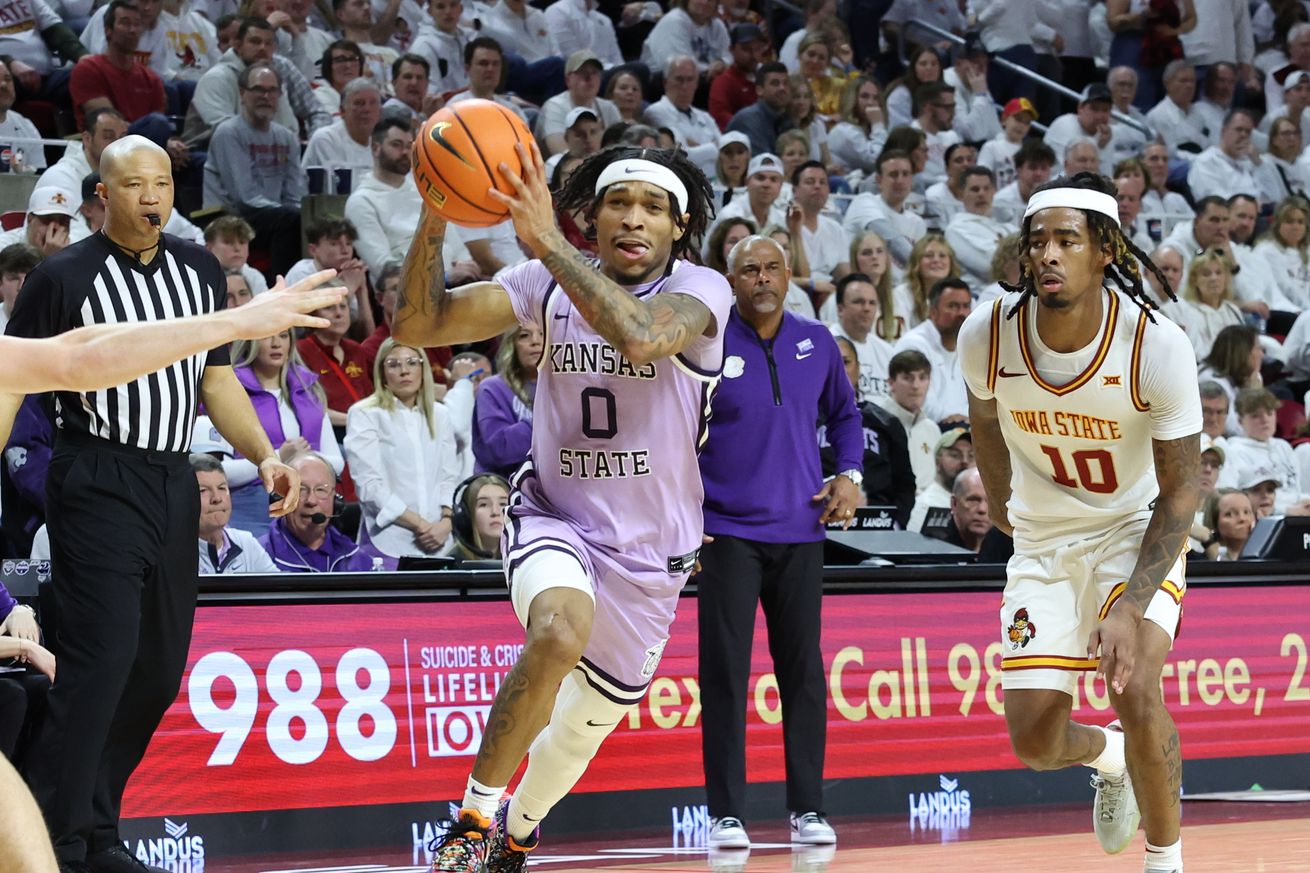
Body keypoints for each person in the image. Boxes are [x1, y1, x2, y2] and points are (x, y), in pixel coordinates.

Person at [0, 135, 344, 873]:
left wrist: (266, 455)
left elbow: (217, 381)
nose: (153, 196)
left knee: (155, 668)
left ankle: (97, 828)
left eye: (163, 182)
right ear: (103, 195)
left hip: (172, 476)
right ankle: (55, 841)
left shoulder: (197, 268)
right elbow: (19, 378)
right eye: (135, 185)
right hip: (95, 473)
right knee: (101, 659)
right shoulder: (60, 277)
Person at [398, 142, 733, 872]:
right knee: (557, 631)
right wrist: (435, 213)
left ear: (679, 227)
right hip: (555, 513)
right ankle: (472, 818)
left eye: (653, 207)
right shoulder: (542, 284)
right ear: (592, 214)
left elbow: (643, 337)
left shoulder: (703, 289)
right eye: (619, 202)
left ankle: (519, 831)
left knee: (581, 731)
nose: (634, 219)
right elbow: (420, 327)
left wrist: (548, 242)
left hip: (651, 553)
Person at [958, 172, 1201, 873]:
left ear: (1105, 251)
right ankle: (1112, 755)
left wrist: (1129, 604)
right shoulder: (990, 334)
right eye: (1038, 241)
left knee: (1133, 683)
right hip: (1043, 541)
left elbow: (1184, 491)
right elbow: (983, 417)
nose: (1048, 255)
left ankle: (1166, 859)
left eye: (1068, 239)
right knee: (1034, 741)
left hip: (1134, 528)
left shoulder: (1155, 346)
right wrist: (1006, 508)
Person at [697, 234, 860, 849]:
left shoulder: (816, 342)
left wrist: (849, 474)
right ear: (729, 280)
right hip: (725, 532)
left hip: (801, 528)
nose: (761, 279)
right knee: (725, 675)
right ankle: (725, 815)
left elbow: (846, 416)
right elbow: (677, 435)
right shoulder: (704, 344)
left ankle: (807, 810)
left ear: (788, 275)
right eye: (748, 271)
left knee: (803, 673)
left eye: (771, 269)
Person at [344, 338, 460, 557]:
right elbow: (369, 486)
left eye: (411, 362)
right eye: (394, 364)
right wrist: (420, 524)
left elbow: (450, 476)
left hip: (441, 540)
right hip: (389, 541)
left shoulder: (440, 414)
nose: (404, 371)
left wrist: (446, 522)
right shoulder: (365, 414)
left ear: (422, 368)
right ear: (382, 373)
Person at [225, 331, 344, 532]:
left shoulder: (308, 389)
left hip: (307, 509)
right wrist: (280, 457)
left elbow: (337, 462)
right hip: (252, 511)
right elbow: (219, 471)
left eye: (283, 336)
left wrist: (303, 460)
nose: (276, 343)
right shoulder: (229, 393)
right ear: (249, 342)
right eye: (266, 336)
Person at [202, 62, 305, 278]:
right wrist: (291, 213)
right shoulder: (228, 133)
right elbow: (244, 197)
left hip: (272, 216)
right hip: (230, 216)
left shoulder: (287, 137)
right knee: (290, 221)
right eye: (258, 89)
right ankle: (280, 288)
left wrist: (302, 215)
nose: (265, 96)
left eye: (272, 91)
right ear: (242, 93)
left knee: (313, 222)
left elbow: (295, 194)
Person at [830, 335, 916, 525]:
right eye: (831, 362)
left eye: (845, 362)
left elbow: (904, 485)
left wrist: (896, 525)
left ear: (858, 368)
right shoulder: (801, 421)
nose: (838, 369)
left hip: (875, 527)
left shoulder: (886, 423)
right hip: (818, 527)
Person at [259, 451, 379, 571]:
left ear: (336, 500)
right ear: (280, 497)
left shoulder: (356, 558)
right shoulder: (259, 557)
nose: (311, 500)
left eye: (321, 490)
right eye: (301, 489)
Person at [892, 277, 972, 421]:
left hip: (964, 431)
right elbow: (915, 399)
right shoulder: (914, 344)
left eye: (966, 306)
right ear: (933, 311)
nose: (962, 313)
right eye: (953, 306)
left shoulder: (969, 346)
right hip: (925, 429)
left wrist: (967, 420)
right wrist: (954, 420)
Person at [472, 323, 541, 479]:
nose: (535, 341)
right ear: (512, 344)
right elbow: (501, 448)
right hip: (504, 491)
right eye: (524, 335)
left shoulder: (566, 388)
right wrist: (549, 423)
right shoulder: (492, 388)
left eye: (543, 334)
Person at [296, 294, 373, 432]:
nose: (339, 313)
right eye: (329, 308)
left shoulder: (356, 349)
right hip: (330, 432)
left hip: (366, 430)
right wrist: (354, 420)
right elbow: (308, 407)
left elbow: (371, 398)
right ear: (312, 315)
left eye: (343, 306)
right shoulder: (301, 351)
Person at [1223, 387, 1306, 513]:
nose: (1265, 420)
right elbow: (1243, 499)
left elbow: (1297, 490)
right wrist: (1286, 510)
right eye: (1256, 416)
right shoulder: (1234, 451)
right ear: (1240, 421)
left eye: (1270, 413)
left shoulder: (1283, 447)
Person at [842, 150, 926, 272]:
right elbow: (891, 240)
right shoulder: (864, 201)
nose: (900, 180)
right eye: (893, 174)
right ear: (879, 180)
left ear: (911, 180)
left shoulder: (918, 223)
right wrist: (924, 267)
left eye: (905, 174)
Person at [193, 453, 278, 574]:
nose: (217, 498)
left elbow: (277, 589)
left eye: (222, 488)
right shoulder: (171, 552)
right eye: (203, 491)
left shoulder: (246, 543)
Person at [876, 349, 940, 494]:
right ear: (891, 383)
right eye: (908, 378)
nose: (916, 386)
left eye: (922, 378)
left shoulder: (932, 429)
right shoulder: (875, 423)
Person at [829, 272, 892, 400]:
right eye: (859, 302)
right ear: (840, 309)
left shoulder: (888, 352)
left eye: (872, 303)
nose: (867, 308)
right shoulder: (826, 346)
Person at [907, 428, 973, 532]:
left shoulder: (982, 505)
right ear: (937, 462)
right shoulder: (925, 506)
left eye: (971, 456)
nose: (965, 461)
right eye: (955, 455)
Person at [891, 232, 959, 332]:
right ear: (916, 263)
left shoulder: (961, 295)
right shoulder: (901, 294)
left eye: (942, 256)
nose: (936, 260)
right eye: (929, 255)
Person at [1253, 196, 1310, 312]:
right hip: (1282, 311)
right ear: (1278, 224)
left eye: (1300, 222)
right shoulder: (1265, 251)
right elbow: (1280, 289)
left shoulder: (1308, 251)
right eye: (1289, 221)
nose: (1296, 227)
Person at [726, 61, 792, 156]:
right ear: (759, 90)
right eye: (775, 83)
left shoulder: (787, 117)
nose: (782, 88)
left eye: (786, 83)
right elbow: (765, 163)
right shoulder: (748, 119)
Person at [978, 97, 1037, 191]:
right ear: (1004, 119)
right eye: (1018, 119)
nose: (1021, 125)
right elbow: (981, 177)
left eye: (1026, 122)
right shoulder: (991, 147)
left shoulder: (1031, 152)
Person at [449, 472, 510, 560]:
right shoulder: (454, 566)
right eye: (483, 504)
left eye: (503, 504)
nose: (495, 512)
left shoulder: (521, 559)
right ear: (466, 516)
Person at [944, 466, 991, 551]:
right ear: (954, 504)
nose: (982, 509)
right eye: (973, 500)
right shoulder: (935, 548)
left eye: (990, 502)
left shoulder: (1008, 546)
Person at [1200, 487, 1255, 560]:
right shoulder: (1193, 561)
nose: (1242, 518)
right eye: (1229, 514)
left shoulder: (1267, 558)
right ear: (1214, 522)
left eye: (1246, 512)